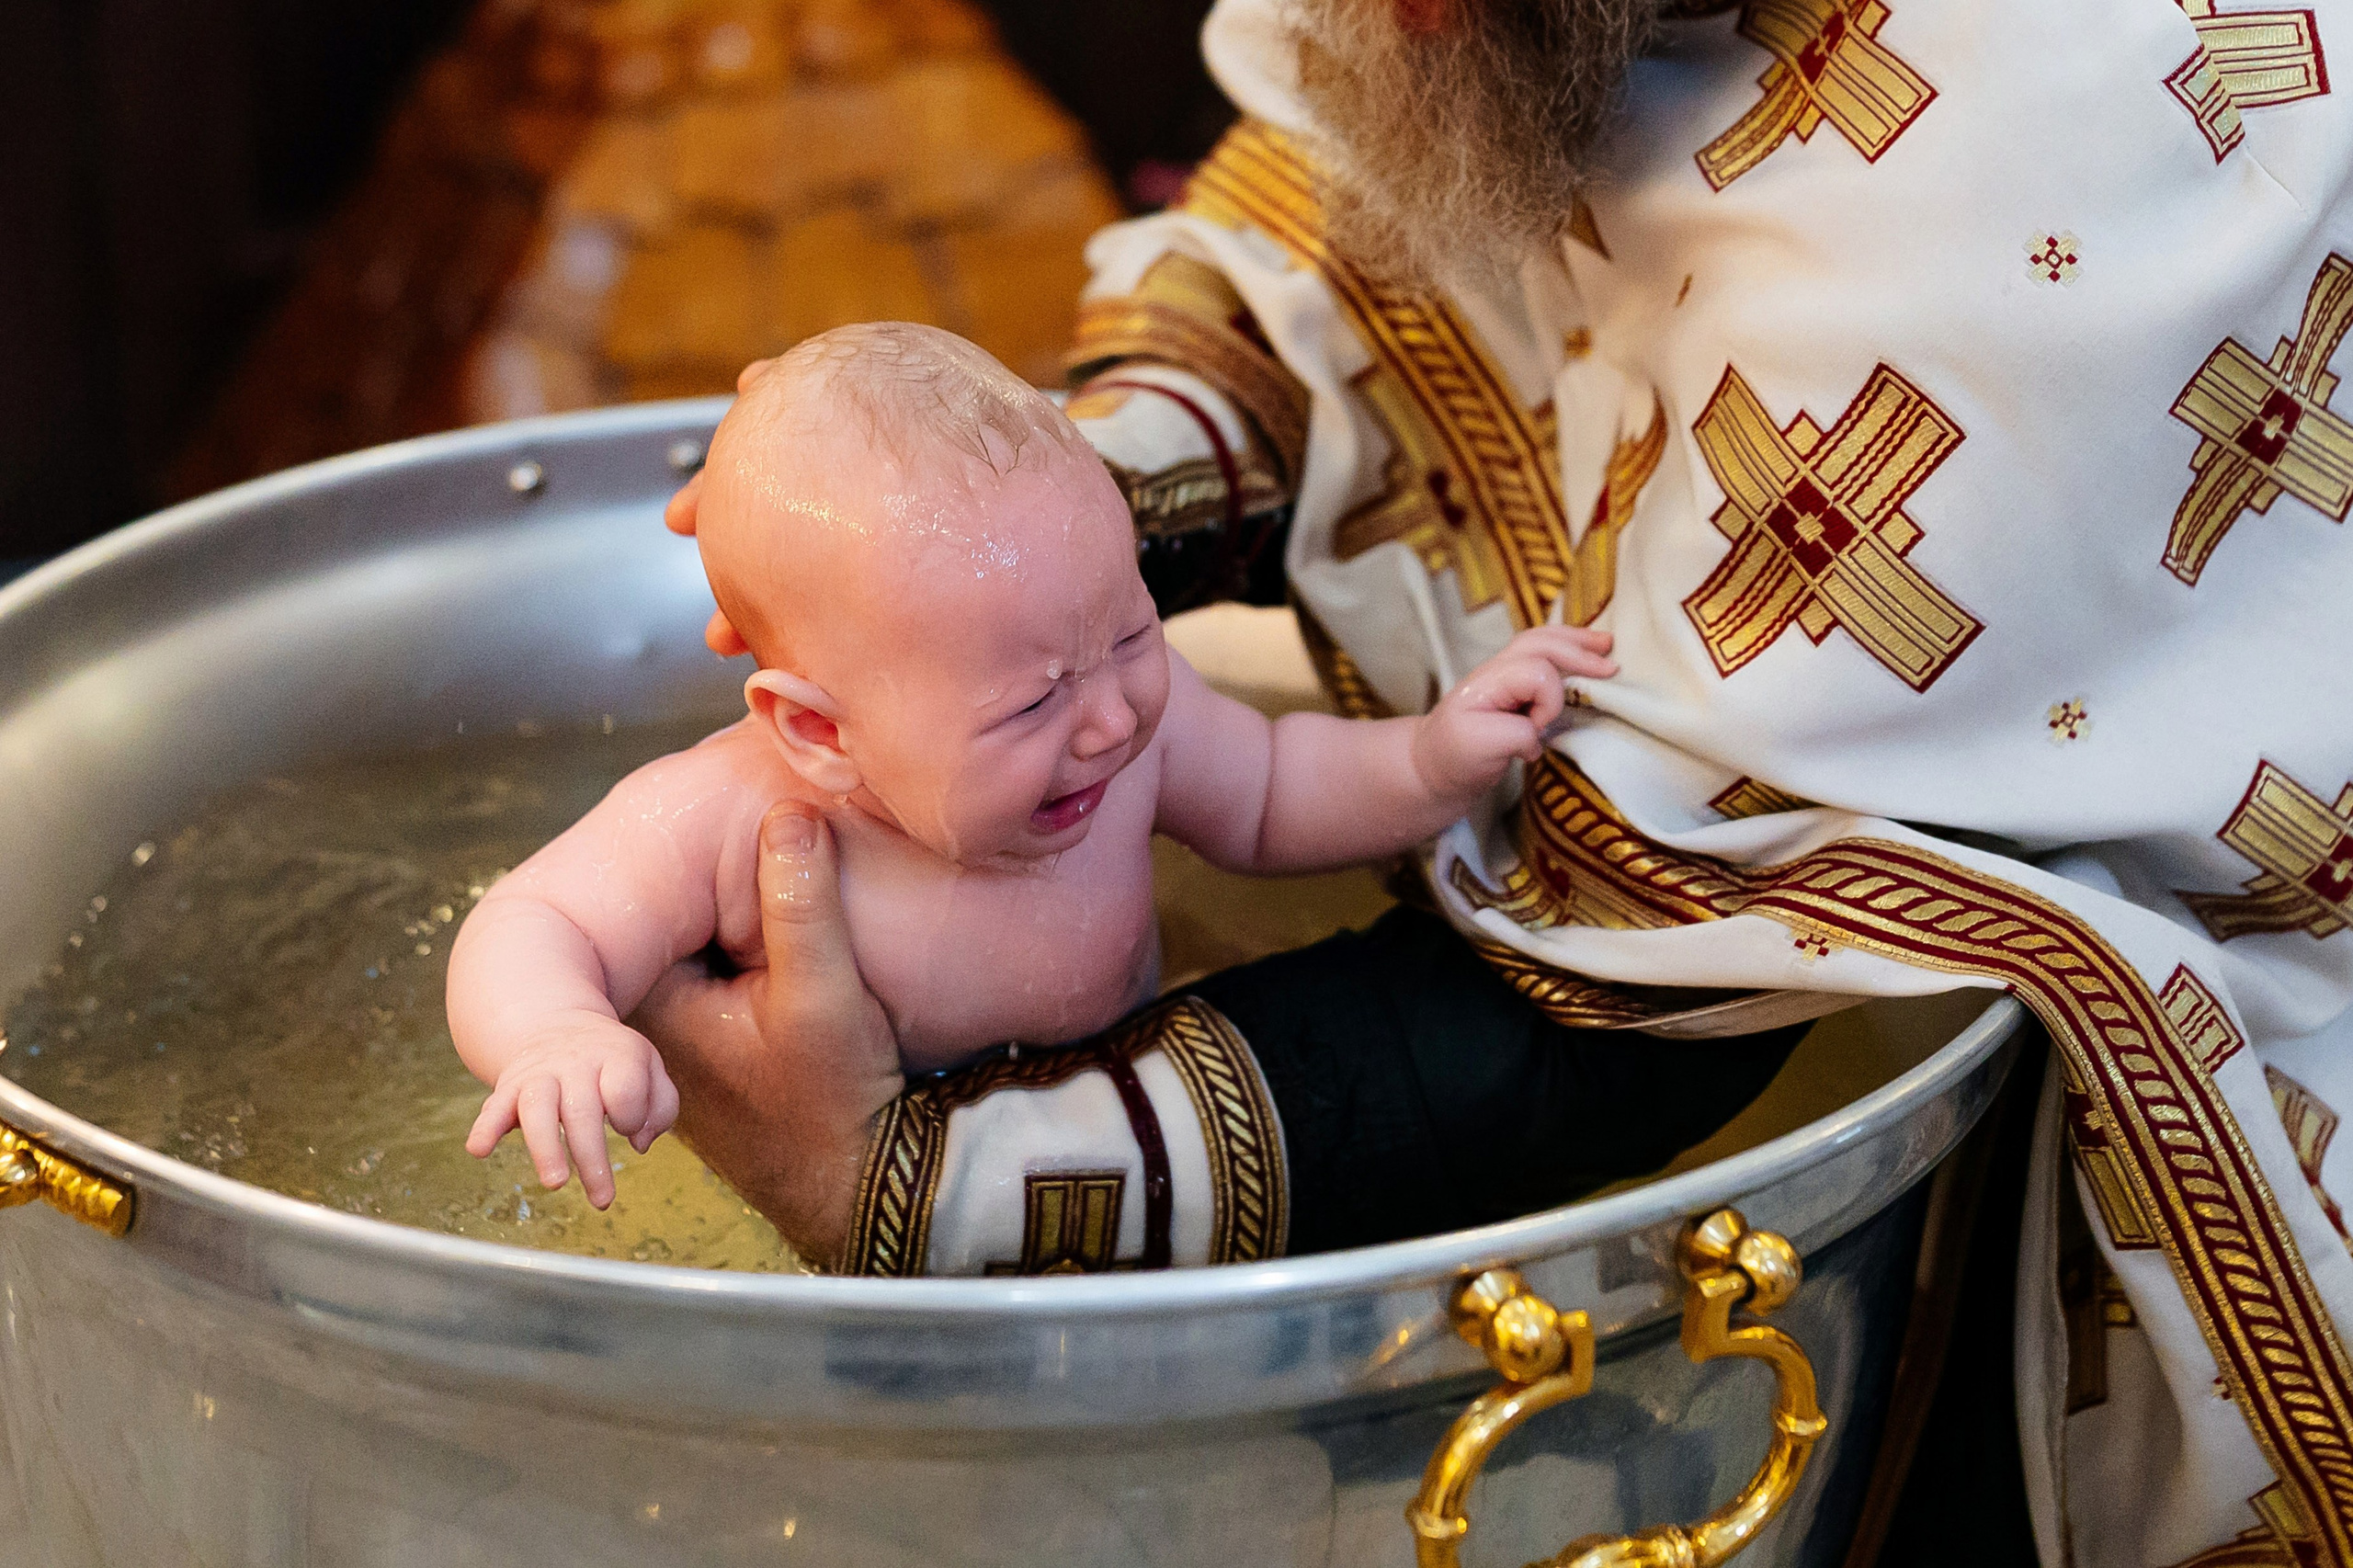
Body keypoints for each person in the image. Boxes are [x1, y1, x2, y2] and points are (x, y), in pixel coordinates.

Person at [646, 0, 2353, 1562]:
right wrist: (966, 545)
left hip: (2157, 1066)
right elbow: (1347, 237)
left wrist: (936, 1181)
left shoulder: (2044, 151)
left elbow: (1668, 974)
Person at [447, 322, 1617, 1210]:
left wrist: (1430, 757)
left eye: (1134, 631)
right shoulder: (731, 812)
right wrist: (556, 1035)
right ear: (821, 734)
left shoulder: (1124, 735)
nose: (1110, 717)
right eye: (1032, 701)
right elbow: (535, 917)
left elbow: (1272, 789)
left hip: (1115, 1120)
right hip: (858, 1172)